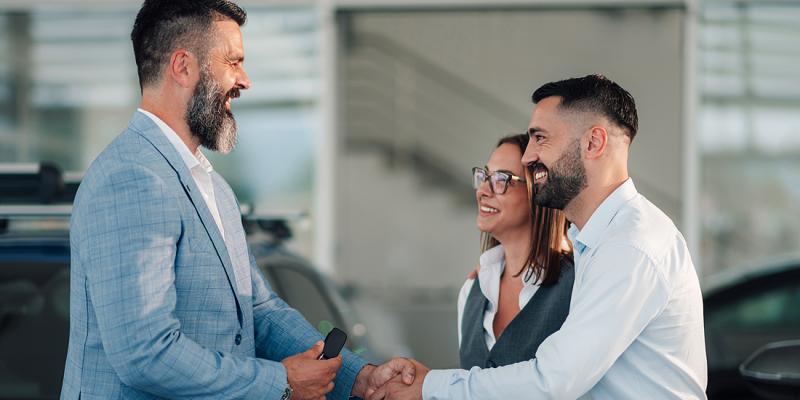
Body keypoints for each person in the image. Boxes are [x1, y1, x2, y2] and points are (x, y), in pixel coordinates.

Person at [60, 1, 413, 399]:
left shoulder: (213, 188)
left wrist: (357, 378)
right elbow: (145, 353)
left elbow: (260, 312)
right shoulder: (133, 179)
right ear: (183, 67)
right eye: (232, 62)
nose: (244, 80)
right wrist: (280, 382)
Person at [367, 74, 707, 400]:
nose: (529, 157)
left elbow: (553, 381)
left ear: (594, 142)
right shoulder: (596, 243)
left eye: (540, 138)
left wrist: (429, 387)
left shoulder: (630, 246)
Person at [460, 133, 573, 371]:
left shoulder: (578, 287)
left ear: (539, 191)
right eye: (484, 175)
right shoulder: (472, 290)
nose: (482, 190)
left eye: (501, 179)